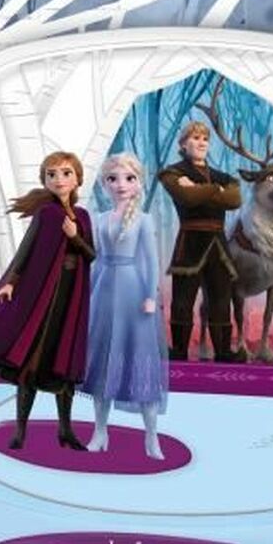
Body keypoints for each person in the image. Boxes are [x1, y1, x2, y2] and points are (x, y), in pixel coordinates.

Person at [0, 151, 94, 451]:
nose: (59, 179)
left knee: (65, 359)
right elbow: (26, 251)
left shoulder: (82, 217)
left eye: (65, 173)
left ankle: (65, 431)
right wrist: (11, 282)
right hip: (44, 297)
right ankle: (20, 431)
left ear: (77, 178)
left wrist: (74, 236)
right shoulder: (47, 214)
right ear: (45, 180)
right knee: (33, 359)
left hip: (72, 297)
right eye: (51, 174)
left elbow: (91, 255)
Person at [82, 154, 168, 460]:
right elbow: (93, 258)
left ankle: (151, 436)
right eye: (113, 179)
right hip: (103, 290)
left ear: (138, 183)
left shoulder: (143, 220)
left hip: (133, 292)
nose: (121, 185)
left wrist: (150, 295)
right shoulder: (99, 219)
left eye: (129, 178)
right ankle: (99, 431)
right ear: (104, 184)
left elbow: (152, 262)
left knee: (140, 360)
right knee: (102, 363)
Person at [158, 120, 242, 361]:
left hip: (219, 245)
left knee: (221, 300)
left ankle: (224, 352)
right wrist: (217, 191)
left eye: (205, 138)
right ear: (183, 144)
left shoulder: (224, 177)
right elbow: (187, 198)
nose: (202, 143)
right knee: (182, 300)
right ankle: (179, 350)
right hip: (190, 243)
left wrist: (199, 187)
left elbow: (234, 201)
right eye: (195, 138)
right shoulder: (172, 173)